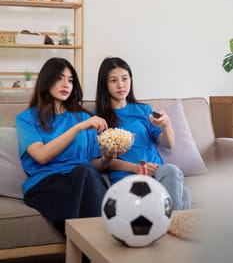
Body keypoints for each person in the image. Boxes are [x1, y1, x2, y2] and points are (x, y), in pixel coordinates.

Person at [16, 57, 114, 239]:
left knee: (85, 172)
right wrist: (77, 128)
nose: (66, 84)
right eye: (59, 78)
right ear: (47, 81)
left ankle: (86, 246)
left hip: (82, 180)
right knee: (84, 177)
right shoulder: (26, 119)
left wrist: (106, 159)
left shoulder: (84, 117)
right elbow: (41, 156)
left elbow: (94, 165)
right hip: (46, 184)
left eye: (70, 80)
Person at [94, 56, 191, 210]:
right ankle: (174, 227)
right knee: (183, 194)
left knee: (179, 183)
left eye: (125, 79)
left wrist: (166, 124)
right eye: (113, 81)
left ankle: (170, 227)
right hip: (128, 177)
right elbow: (101, 160)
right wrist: (136, 168)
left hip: (158, 173)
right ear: (104, 85)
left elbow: (168, 143)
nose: (121, 85)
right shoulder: (98, 119)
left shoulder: (144, 110)